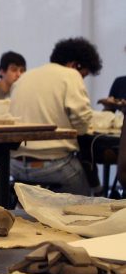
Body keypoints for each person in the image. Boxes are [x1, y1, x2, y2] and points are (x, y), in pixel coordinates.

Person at [9, 37, 102, 196]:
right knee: (89, 201)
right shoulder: (71, 75)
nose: (82, 79)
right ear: (75, 65)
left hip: (15, 167)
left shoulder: (25, 77)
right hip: (54, 166)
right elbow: (82, 123)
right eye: (84, 75)